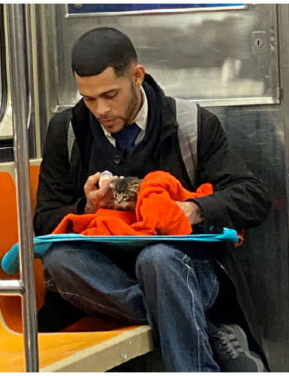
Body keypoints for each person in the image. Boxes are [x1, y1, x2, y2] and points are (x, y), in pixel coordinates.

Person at [33, 27, 271, 372]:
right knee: (59, 261)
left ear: (137, 76)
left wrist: (190, 209)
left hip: (184, 266)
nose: (100, 109)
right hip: (104, 274)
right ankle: (205, 328)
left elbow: (253, 198)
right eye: (89, 98)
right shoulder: (68, 130)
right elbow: (44, 222)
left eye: (110, 95)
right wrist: (87, 208)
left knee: (158, 260)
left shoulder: (193, 125)